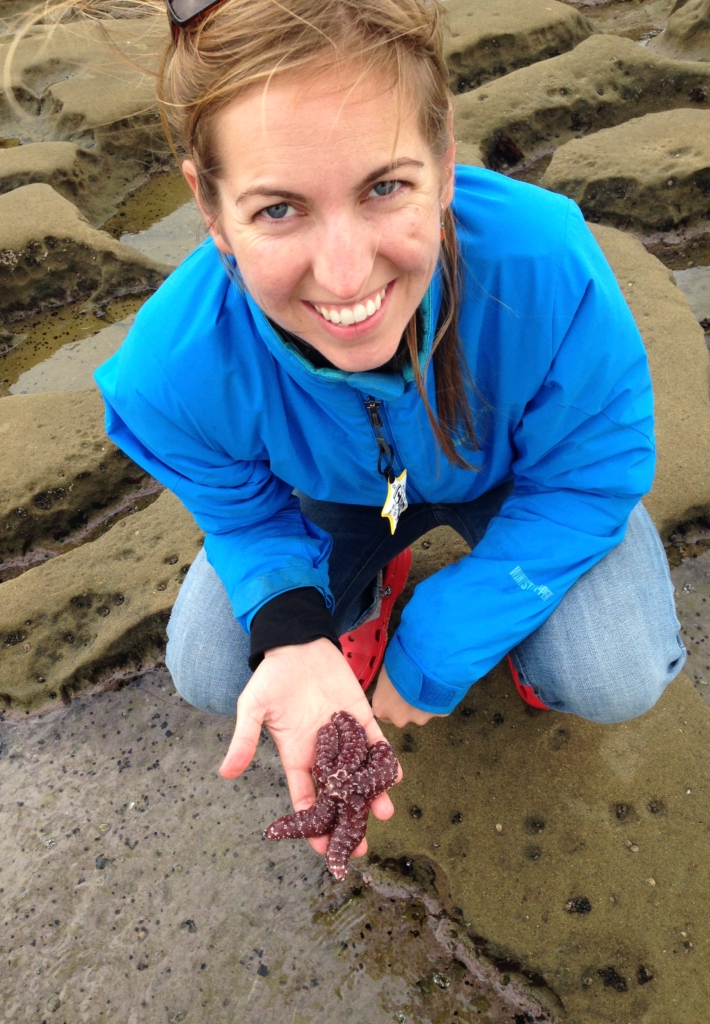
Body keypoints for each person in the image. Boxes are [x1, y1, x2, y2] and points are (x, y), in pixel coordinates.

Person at [94, 0, 686, 866]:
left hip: (523, 485)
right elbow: (245, 514)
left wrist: (439, 647)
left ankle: (510, 636)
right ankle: (362, 590)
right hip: (334, 503)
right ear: (209, 208)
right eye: (278, 209)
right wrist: (294, 631)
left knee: (612, 669)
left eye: (383, 187)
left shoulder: (546, 263)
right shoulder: (170, 370)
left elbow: (590, 477)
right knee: (215, 662)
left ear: (445, 163)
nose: (345, 273)